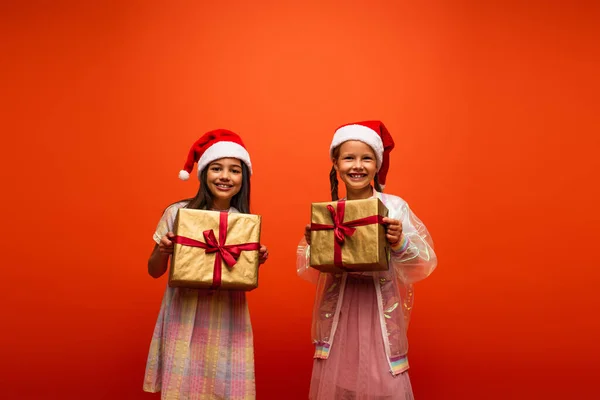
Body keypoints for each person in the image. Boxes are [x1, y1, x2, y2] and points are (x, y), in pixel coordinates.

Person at [297, 120, 437, 399]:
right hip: (341, 312)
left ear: (377, 164)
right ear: (335, 164)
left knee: (383, 380)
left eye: (366, 158)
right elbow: (309, 270)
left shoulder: (394, 207)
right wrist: (316, 246)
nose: (357, 166)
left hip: (379, 310)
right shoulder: (330, 213)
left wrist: (399, 240)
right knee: (340, 381)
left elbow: (422, 263)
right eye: (349, 158)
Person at [144, 129, 268, 400]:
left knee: (224, 388)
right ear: (203, 173)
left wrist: (253, 260)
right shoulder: (177, 213)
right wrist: (164, 250)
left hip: (228, 317)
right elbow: (154, 271)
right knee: (183, 388)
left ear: (243, 178)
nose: (225, 176)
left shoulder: (243, 221)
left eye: (234, 170)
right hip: (184, 314)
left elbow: (241, 279)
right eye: (216, 168)